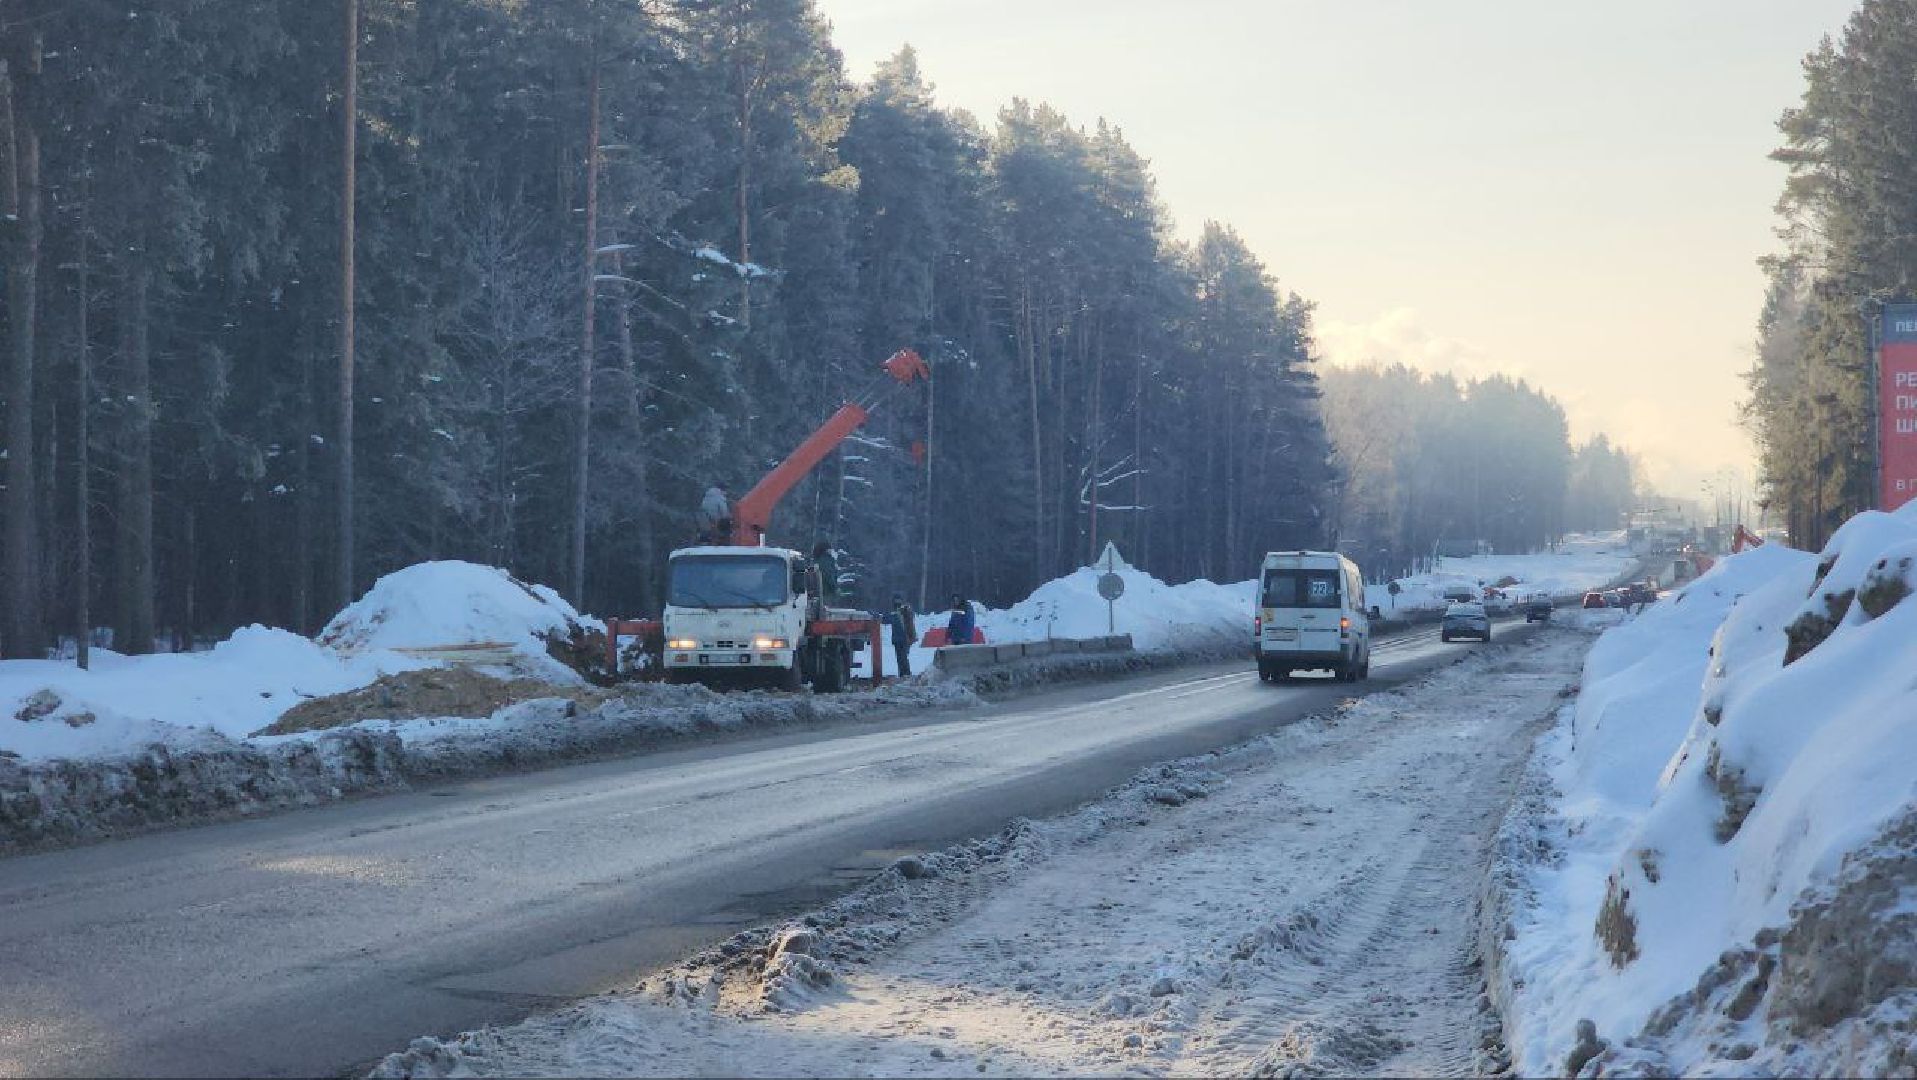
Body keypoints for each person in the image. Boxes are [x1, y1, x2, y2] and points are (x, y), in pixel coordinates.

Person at [883, 593, 916, 677]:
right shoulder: (894, 613)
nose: (897, 602)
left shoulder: (904, 611)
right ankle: (902, 674)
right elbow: (886, 619)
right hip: (897, 639)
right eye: (896, 601)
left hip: (905, 638)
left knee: (903, 657)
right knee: (900, 658)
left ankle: (906, 674)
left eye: (898, 600)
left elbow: (910, 617)